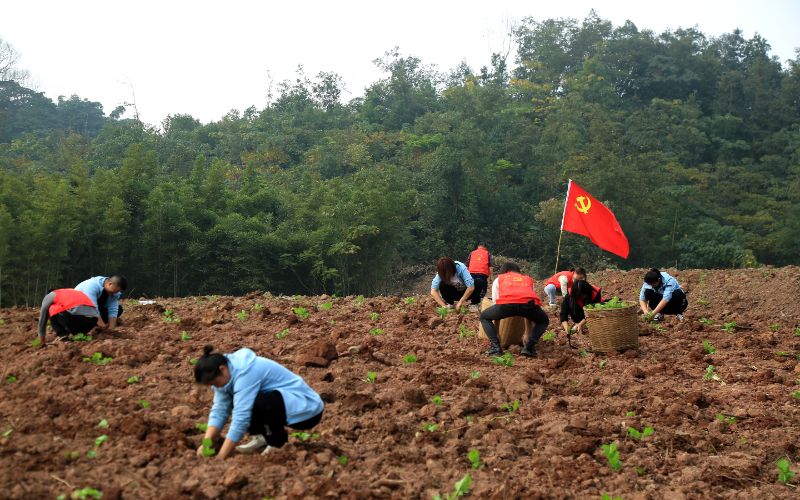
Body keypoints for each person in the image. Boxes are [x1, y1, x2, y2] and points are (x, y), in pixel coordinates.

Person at [194, 345, 324, 459]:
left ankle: (277, 443)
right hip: (286, 405)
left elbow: (241, 418)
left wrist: (221, 457)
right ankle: (262, 438)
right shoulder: (226, 376)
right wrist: (206, 445)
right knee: (240, 401)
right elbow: (219, 410)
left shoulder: (245, 373)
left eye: (216, 383)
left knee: (254, 403)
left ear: (222, 369)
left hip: (307, 410)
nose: (216, 387)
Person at [480, 262, 549, 357]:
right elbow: (528, 305)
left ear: (504, 270)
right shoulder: (527, 279)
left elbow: (497, 305)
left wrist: (497, 334)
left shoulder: (499, 279)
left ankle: (495, 347)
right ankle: (529, 347)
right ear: (518, 271)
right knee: (544, 320)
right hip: (528, 306)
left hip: (507, 305)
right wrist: (527, 333)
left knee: (484, 317)